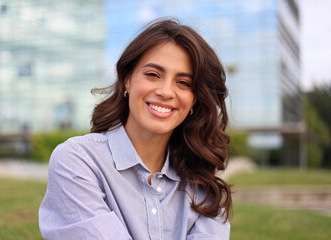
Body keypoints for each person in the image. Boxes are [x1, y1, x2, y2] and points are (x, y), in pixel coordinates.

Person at [39, 18, 232, 240]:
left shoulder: (204, 185)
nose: (166, 91)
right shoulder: (77, 161)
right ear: (127, 80)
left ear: (194, 100)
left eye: (183, 83)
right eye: (153, 75)